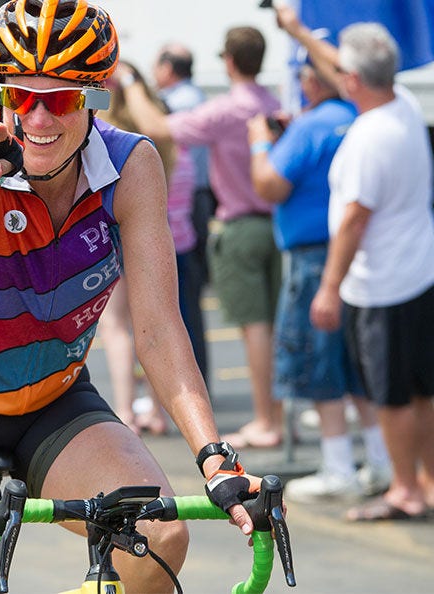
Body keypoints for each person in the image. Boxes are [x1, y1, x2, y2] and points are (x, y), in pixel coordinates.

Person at [0, 2, 264, 592]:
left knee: (159, 539)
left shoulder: (130, 167)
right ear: (0, 97)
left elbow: (156, 326)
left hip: (48, 399)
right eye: (22, 97)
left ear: (95, 99)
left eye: (64, 99)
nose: (40, 117)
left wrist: (214, 456)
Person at [278, 6, 434, 521]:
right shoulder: (402, 106)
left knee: (390, 395)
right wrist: (299, 31)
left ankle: (405, 489)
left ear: (352, 80)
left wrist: (328, 288)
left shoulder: (368, 137)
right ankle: (426, 480)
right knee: (421, 388)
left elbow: (352, 222)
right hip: (417, 270)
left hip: (382, 283)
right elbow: (346, 67)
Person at [119, 26, 284, 449]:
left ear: (228, 61)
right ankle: (273, 416)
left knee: (254, 326)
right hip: (274, 222)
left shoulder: (228, 108)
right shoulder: (271, 101)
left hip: (241, 224)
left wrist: (132, 82)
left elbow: (158, 126)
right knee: (270, 324)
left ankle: (267, 419)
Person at [247, 60, 391, 502]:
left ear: (311, 80)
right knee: (355, 365)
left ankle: (339, 466)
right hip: (353, 255)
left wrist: (259, 145)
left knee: (316, 361)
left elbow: (270, 185)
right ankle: (381, 460)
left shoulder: (311, 126)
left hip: (313, 259)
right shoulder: (358, 119)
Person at [96, 62, 196, 436]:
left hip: (110, 231)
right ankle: (156, 411)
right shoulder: (152, 141)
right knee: (155, 325)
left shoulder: (103, 138)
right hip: (156, 231)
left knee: (117, 326)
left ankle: (125, 410)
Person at [153, 44, 212, 385]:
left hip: (166, 247)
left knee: (165, 322)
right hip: (185, 241)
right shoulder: (183, 158)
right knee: (187, 318)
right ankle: (196, 383)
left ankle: (178, 389)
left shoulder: (159, 160)